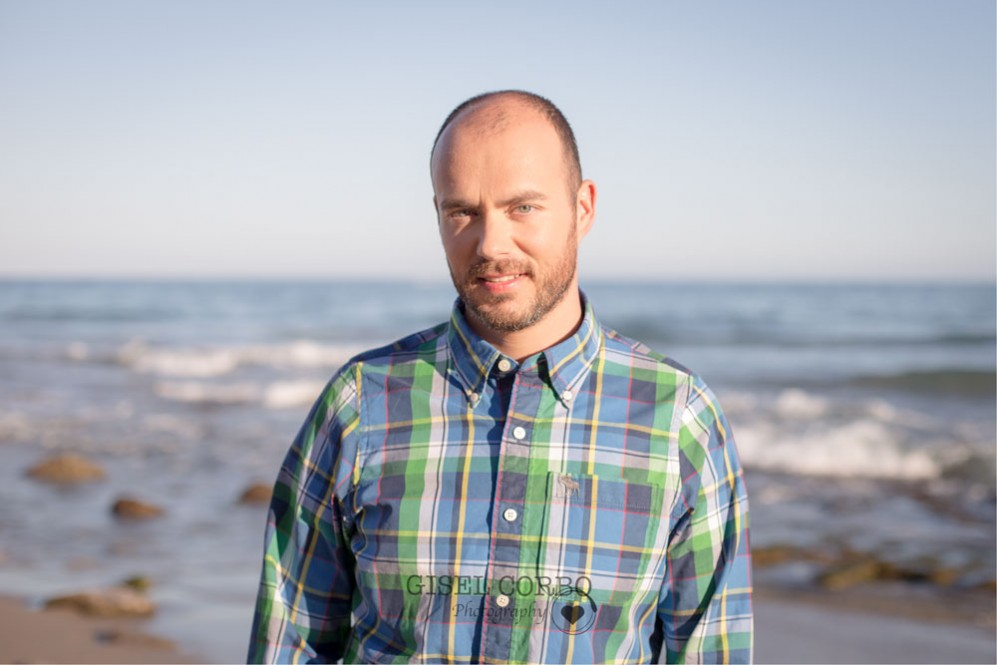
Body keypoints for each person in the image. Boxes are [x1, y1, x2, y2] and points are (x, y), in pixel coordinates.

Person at [248, 90, 752, 663]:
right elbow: (290, 644)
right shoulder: (361, 402)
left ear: (583, 208)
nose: (490, 244)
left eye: (523, 208)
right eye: (462, 211)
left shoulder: (679, 416)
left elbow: (713, 650)